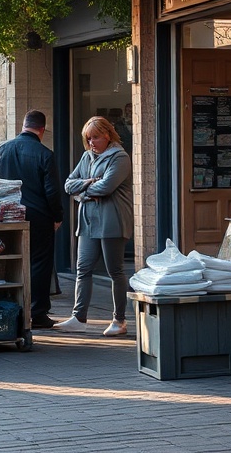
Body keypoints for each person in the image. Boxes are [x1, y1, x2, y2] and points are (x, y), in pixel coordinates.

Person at [0, 109, 65, 329]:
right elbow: (52, 191)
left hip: (6, 216)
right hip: (38, 217)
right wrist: (57, 217)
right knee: (39, 263)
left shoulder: (1, 150)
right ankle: (36, 313)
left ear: (23, 126)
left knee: (9, 260)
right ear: (42, 129)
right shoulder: (45, 154)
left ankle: (9, 306)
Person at [55, 116, 134, 337]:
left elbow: (106, 188)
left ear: (108, 135)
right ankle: (79, 317)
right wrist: (89, 183)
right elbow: (69, 184)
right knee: (83, 268)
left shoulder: (120, 158)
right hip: (88, 222)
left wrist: (83, 192)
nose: (91, 142)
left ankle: (119, 320)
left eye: (96, 137)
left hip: (113, 221)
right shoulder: (87, 157)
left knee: (115, 271)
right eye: (88, 138)